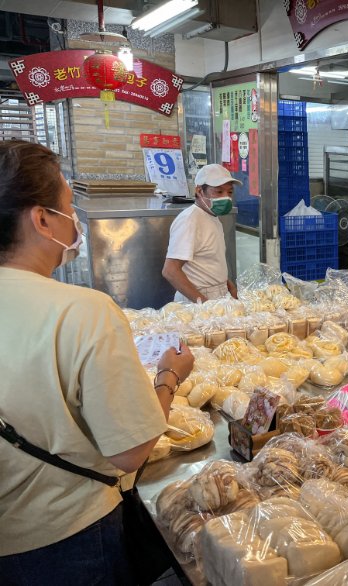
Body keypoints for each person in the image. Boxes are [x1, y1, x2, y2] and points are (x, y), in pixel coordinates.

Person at [0, 141, 194, 585]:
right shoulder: (82, 310)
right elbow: (131, 450)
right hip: (68, 540)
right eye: (69, 208)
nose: (75, 224)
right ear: (41, 219)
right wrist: (168, 377)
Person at [163, 163, 240, 302]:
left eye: (229, 192)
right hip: (197, 299)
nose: (226, 198)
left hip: (217, 296)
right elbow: (170, 271)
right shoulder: (190, 220)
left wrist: (228, 285)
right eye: (219, 191)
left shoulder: (212, 216)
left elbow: (209, 262)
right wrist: (205, 305)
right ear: (199, 191)